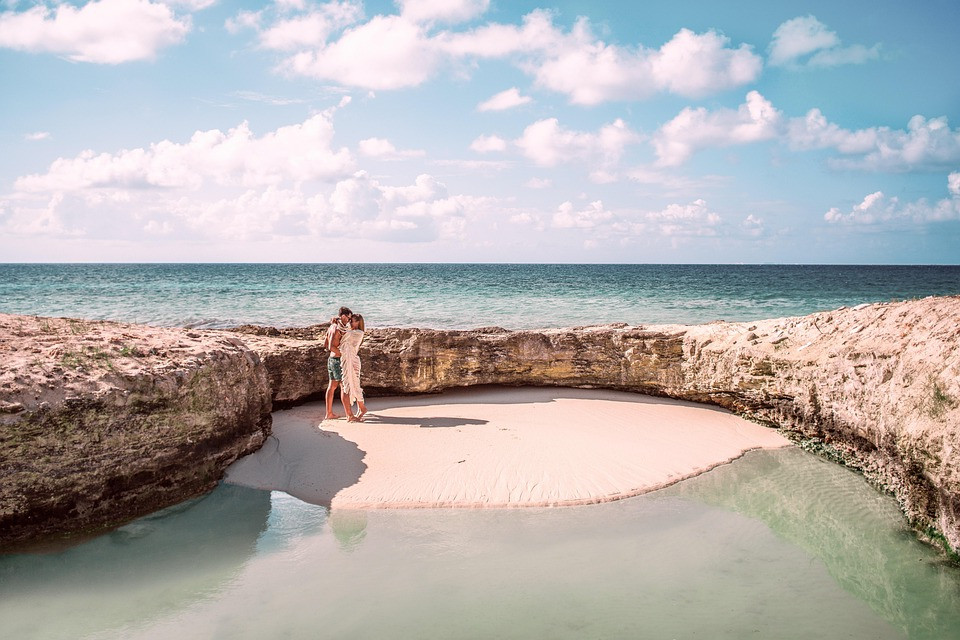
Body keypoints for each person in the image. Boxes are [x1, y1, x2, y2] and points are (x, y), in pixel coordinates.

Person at [323, 306, 352, 420]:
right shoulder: (336, 329)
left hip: (331, 359)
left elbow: (325, 344)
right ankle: (349, 415)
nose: (349, 320)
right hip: (337, 360)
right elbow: (330, 346)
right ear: (343, 316)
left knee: (331, 387)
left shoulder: (331, 327)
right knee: (344, 386)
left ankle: (329, 413)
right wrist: (343, 354)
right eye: (348, 318)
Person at [340, 313, 367, 422]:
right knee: (353, 384)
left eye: (353, 321)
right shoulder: (351, 331)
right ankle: (361, 408)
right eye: (350, 320)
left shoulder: (359, 333)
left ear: (358, 322)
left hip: (353, 361)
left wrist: (338, 323)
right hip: (349, 360)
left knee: (355, 383)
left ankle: (362, 408)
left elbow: (344, 335)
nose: (351, 322)